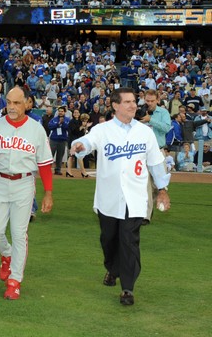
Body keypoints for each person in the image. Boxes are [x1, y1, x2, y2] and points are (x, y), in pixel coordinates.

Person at [70, 87, 171, 306]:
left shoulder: (145, 132)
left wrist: (162, 190)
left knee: (129, 241)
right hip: (108, 197)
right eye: (127, 102)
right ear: (115, 105)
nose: (133, 105)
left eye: (134, 101)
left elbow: (155, 162)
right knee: (109, 240)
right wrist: (79, 146)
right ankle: (112, 269)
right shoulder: (103, 129)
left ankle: (127, 288)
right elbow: (87, 142)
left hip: (135, 198)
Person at [0, 86, 53, 300]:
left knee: (19, 234)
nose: (11, 106)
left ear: (28, 104)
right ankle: (7, 255)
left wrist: (48, 193)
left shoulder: (37, 129)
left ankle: (14, 281)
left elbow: (45, 164)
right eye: (9, 102)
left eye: (17, 103)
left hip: (24, 183)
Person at [139, 89, 171, 225]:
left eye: (152, 101)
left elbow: (166, 128)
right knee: (145, 185)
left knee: (158, 185)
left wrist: (150, 120)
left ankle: (151, 209)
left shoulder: (163, 113)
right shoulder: (139, 112)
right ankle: (145, 216)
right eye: (147, 100)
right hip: (143, 153)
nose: (149, 103)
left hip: (159, 151)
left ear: (158, 100)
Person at [66, 110, 91, 177]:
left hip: (79, 141)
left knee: (74, 156)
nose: (76, 114)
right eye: (75, 113)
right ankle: (81, 172)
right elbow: (74, 131)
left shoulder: (80, 122)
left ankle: (70, 171)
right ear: (73, 114)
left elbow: (82, 132)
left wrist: (85, 127)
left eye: (77, 113)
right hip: (73, 140)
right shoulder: (71, 122)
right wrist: (82, 127)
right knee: (72, 156)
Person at [48, 106, 70, 175]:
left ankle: (58, 169)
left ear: (64, 112)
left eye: (62, 111)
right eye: (59, 111)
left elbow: (68, 128)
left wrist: (62, 123)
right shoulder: (54, 119)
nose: (60, 112)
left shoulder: (67, 120)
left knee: (60, 156)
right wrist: (58, 124)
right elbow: (50, 126)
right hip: (53, 139)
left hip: (62, 140)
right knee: (50, 155)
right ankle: (47, 169)